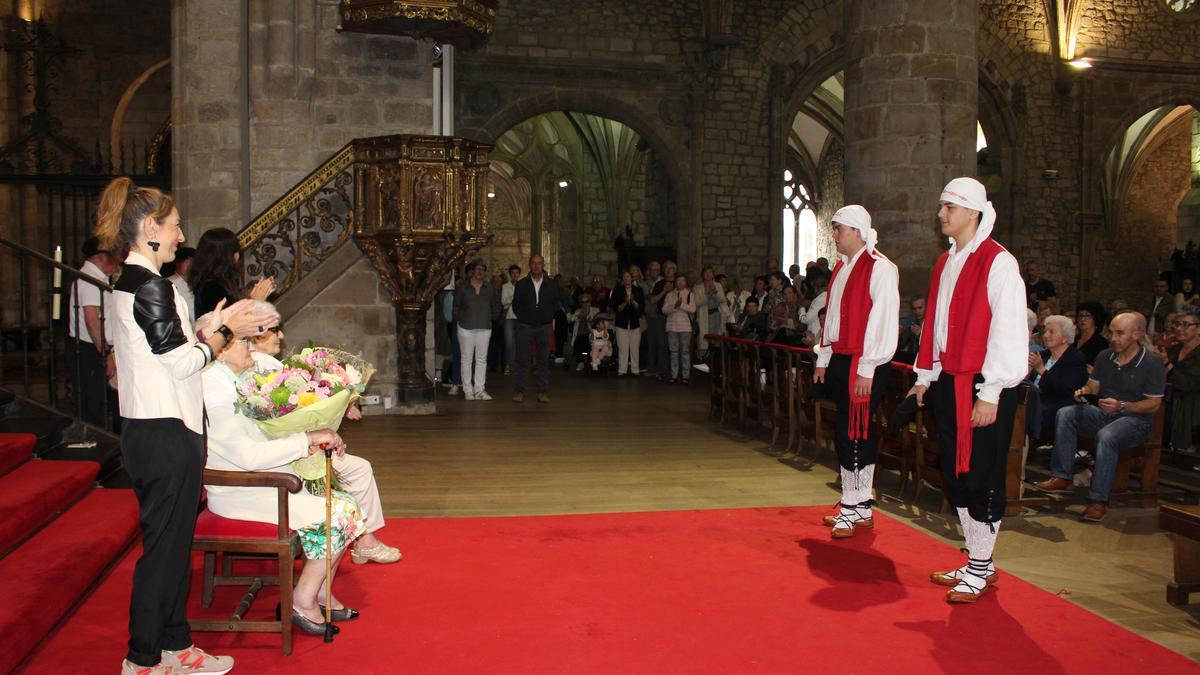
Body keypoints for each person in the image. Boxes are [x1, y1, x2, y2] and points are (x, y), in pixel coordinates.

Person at [98, 176, 277, 674]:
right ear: (150, 229)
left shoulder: (132, 282)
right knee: (163, 553)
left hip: (155, 428)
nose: (181, 236)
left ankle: (174, 647)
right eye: (175, 226)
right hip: (165, 431)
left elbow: (158, 349)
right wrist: (223, 334)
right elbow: (180, 364)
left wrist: (205, 327)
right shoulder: (150, 284)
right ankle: (143, 657)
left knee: (174, 549)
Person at [910, 177, 1027, 604]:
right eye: (942, 206)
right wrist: (926, 376)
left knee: (982, 474)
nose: (941, 214)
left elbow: (1009, 330)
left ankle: (980, 567)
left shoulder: (998, 262)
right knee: (957, 476)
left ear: (973, 212)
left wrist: (991, 391)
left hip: (981, 383)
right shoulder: (946, 261)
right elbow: (938, 326)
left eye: (949, 207)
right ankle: (978, 559)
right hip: (949, 381)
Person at [202, 338, 366, 636]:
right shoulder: (215, 392)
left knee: (346, 506)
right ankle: (302, 601)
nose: (251, 348)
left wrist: (307, 441)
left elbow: (260, 439)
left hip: (263, 479)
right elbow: (247, 456)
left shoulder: (234, 379)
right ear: (221, 350)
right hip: (241, 489)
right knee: (337, 514)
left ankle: (319, 592)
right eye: (244, 342)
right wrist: (305, 441)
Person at [244, 305, 401, 564]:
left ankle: (365, 540)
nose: (280, 336)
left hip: (300, 446)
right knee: (356, 470)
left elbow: (299, 403)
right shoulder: (254, 371)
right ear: (255, 334)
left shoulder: (269, 364)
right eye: (274, 330)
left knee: (359, 468)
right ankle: (357, 541)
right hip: (285, 455)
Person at [812, 205, 899, 539]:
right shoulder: (842, 268)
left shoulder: (880, 268)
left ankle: (855, 504)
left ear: (859, 231)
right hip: (843, 360)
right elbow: (832, 319)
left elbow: (882, 323)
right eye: (833, 228)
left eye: (840, 229)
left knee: (856, 432)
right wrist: (823, 359)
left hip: (867, 363)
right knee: (846, 432)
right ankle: (858, 506)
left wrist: (867, 368)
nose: (835, 234)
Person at [1034, 312, 1166, 522]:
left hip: (1136, 420)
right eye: (1112, 332)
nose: (1114, 338)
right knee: (1067, 413)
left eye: (1120, 333)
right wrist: (1083, 390)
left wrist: (1122, 405)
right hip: (1105, 413)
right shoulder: (1105, 356)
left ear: (1138, 334)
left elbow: (1153, 404)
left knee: (1107, 436)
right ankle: (1063, 476)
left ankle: (1098, 500)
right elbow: (1094, 387)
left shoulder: (1152, 363)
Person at [67, 236, 118, 427]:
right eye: (114, 255)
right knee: (92, 404)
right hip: (90, 349)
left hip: (95, 347)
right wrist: (105, 353)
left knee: (100, 401)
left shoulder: (97, 277)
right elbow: (91, 320)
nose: (118, 260)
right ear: (101, 257)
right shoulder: (89, 280)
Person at [1026, 315, 1089, 443]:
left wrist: (1042, 370)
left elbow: (1066, 390)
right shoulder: (1043, 355)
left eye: (1052, 332)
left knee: (1026, 411)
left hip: (1056, 405)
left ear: (1065, 338)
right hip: (1034, 401)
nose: (1045, 335)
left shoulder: (1074, 358)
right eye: (1045, 331)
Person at [189, 227, 275, 318]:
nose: (238, 255)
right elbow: (228, 325)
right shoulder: (212, 288)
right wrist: (255, 302)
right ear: (225, 256)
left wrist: (252, 299)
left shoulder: (215, 281)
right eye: (235, 251)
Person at [512, 254, 561, 403]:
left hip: (544, 327)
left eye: (539, 263)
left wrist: (546, 316)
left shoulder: (551, 284)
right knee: (523, 360)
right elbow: (516, 305)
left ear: (543, 265)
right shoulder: (521, 284)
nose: (536, 266)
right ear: (529, 265)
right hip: (525, 326)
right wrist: (525, 318)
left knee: (543, 361)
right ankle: (520, 391)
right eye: (533, 263)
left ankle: (542, 392)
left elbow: (555, 304)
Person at [455, 259, 501, 400]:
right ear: (472, 271)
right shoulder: (463, 288)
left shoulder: (489, 288)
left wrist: (492, 317)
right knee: (466, 360)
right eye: (478, 269)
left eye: (483, 269)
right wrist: (462, 319)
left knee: (481, 360)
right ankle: (468, 390)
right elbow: (456, 307)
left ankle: (480, 389)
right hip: (466, 328)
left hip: (484, 328)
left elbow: (495, 306)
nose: (480, 271)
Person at [1166, 306, 1200, 455]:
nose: (1179, 328)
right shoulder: (1172, 350)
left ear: (1198, 329)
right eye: (1177, 324)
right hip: (1170, 405)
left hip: (1193, 408)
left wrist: (1167, 365)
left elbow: (1188, 384)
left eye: (1185, 324)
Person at [610, 270, 645, 376]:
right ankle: (622, 370)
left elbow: (642, 307)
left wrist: (633, 302)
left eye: (628, 276)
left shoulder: (638, 290)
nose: (626, 279)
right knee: (623, 348)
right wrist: (625, 302)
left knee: (635, 348)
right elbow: (615, 308)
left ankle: (635, 370)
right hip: (621, 323)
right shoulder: (617, 290)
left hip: (635, 323)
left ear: (631, 278)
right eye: (624, 277)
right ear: (622, 279)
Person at [663, 274, 696, 384]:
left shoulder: (690, 294)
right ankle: (674, 375)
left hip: (686, 327)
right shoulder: (669, 295)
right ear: (675, 282)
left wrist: (680, 305)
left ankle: (685, 376)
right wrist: (674, 306)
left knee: (685, 352)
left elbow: (693, 309)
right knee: (673, 352)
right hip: (672, 327)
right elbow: (664, 310)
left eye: (683, 281)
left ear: (685, 282)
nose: (680, 283)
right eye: (678, 280)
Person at [693, 266, 728, 360]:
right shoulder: (697, 287)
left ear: (713, 274)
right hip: (704, 316)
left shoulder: (718, 285)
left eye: (710, 272)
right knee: (703, 341)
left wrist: (715, 293)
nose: (708, 274)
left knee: (716, 341)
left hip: (716, 316)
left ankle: (714, 364)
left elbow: (722, 300)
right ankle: (703, 362)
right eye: (705, 272)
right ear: (702, 275)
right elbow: (697, 303)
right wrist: (708, 295)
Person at [649, 260, 676, 377]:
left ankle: (676, 370)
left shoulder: (679, 282)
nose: (669, 270)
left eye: (671, 268)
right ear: (663, 271)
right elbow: (652, 300)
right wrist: (664, 291)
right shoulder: (659, 284)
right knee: (662, 343)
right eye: (666, 268)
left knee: (676, 344)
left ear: (675, 270)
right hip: (662, 317)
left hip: (677, 317)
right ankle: (663, 369)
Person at [162, 245, 196, 321]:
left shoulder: (198, 283)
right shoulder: (169, 283)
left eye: (192, 262)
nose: (189, 266)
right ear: (177, 263)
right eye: (186, 262)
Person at [567, 292, 599, 371]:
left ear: (590, 302)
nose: (585, 304)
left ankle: (589, 360)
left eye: (587, 301)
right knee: (578, 341)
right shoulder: (578, 311)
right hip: (579, 334)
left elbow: (595, 322)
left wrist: (586, 316)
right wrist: (576, 316)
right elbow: (570, 319)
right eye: (583, 302)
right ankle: (580, 362)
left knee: (587, 341)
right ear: (580, 303)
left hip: (591, 334)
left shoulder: (595, 310)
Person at [1074, 301, 1110, 366]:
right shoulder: (1073, 339)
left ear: (1095, 319)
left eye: (1088, 316)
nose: (1083, 319)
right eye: (1080, 315)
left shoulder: (1101, 343)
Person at [501, 264, 521, 375]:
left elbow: (524, 303)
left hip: (520, 318)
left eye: (516, 273)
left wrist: (512, 299)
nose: (514, 275)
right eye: (512, 273)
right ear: (510, 274)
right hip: (509, 318)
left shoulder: (523, 286)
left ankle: (518, 365)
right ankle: (507, 365)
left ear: (519, 274)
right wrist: (514, 297)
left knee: (520, 343)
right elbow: (504, 302)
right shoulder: (505, 286)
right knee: (508, 343)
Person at [895, 296, 925, 364]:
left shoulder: (933, 324)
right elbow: (901, 345)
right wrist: (898, 335)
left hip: (926, 358)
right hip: (913, 357)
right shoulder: (911, 323)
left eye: (920, 308)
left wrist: (921, 335)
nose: (917, 311)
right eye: (914, 309)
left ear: (926, 307)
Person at [798, 270, 828, 338]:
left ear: (816, 287)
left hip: (815, 334)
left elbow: (806, 320)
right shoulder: (827, 296)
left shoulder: (820, 300)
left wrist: (802, 307)